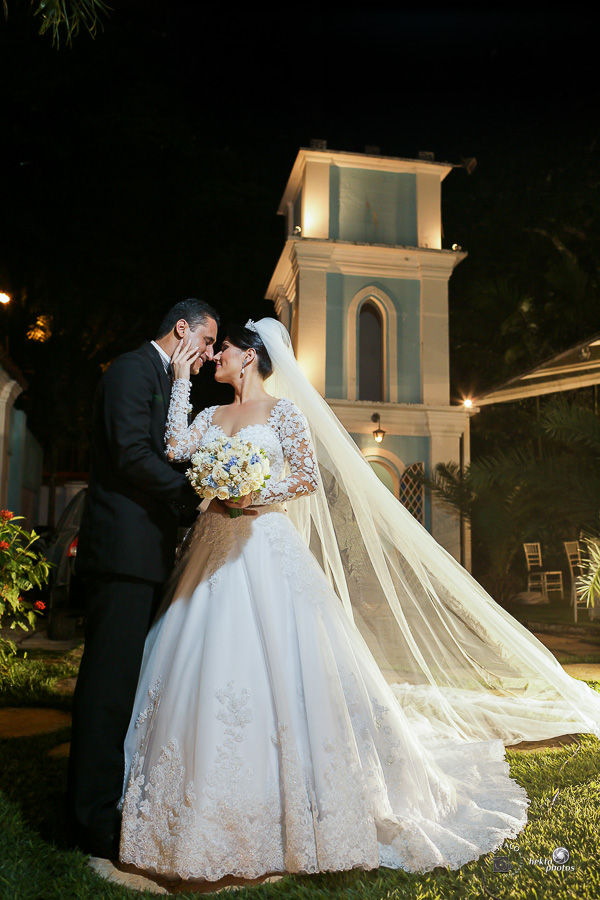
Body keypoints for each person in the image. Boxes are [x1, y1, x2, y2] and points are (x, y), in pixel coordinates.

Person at [119, 318, 600, 882]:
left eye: (223, 349)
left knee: (285, 667)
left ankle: (302, 809)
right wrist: (179, 382)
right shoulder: (209, 414)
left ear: (250, 357)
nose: (214, 356)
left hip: (264, 541)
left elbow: (303, 479)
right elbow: (175, 447)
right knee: (203, 662)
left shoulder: (284, 414)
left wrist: (247, 493)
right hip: (213, 548)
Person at [67, 299, 219, 862]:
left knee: (123, 683)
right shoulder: (132, 370)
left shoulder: (164, 375)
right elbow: (132, 453)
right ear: (181, 329)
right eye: (206, 343)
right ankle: (89, 821)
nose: (206, 356)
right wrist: (193, 493)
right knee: (106, 689)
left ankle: (106, 799)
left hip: (144, 558)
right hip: (121, 556)